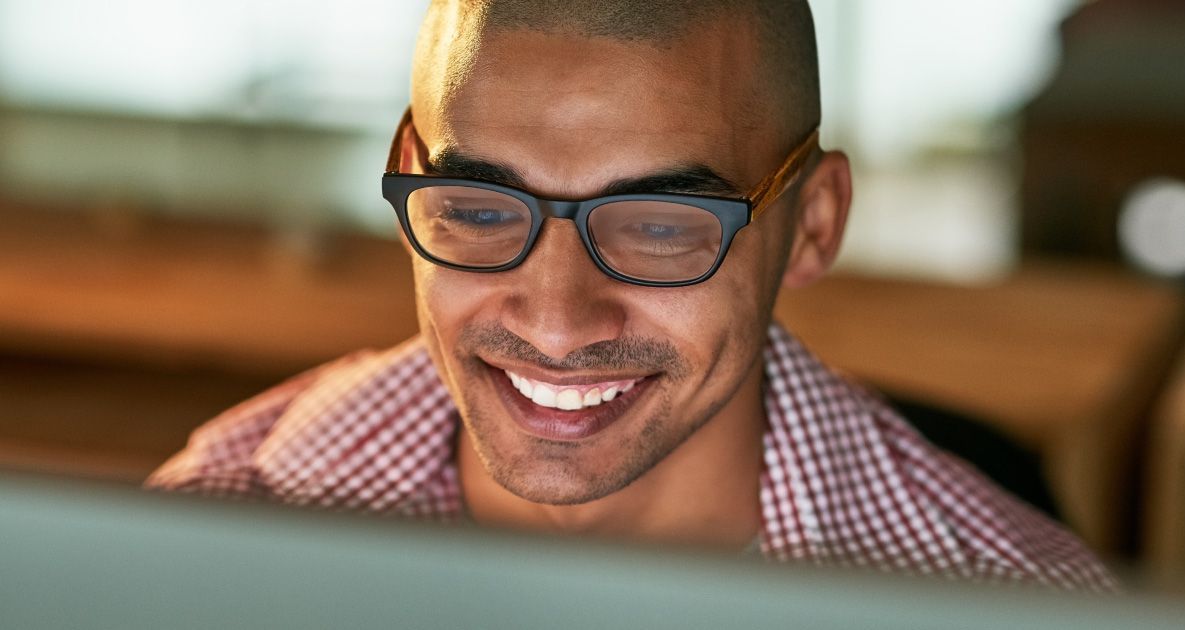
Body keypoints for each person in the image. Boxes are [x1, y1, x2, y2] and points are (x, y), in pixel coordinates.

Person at [148, 0, 1115, 591]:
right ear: (407, 170)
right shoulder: (192, 551)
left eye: (659, 224)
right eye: (481, 209)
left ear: (813, 224)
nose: (557, 322)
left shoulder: (1012, 602)